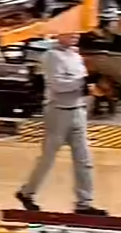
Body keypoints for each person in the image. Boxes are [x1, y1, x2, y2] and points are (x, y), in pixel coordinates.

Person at [16, 32, 106, 215]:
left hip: (78, 111)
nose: (76, 35)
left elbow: (83, 86)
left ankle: (84, 203)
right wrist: (82, 83)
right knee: (48, 158)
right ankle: (27, 193)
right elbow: (58, 85)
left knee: (84, 159)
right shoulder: (51, 56)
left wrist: (92, 88)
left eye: (77, 32)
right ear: (59, 34)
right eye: (71, 32)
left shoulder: (76, 56)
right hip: (58, 112)